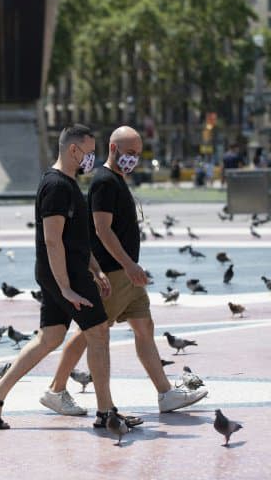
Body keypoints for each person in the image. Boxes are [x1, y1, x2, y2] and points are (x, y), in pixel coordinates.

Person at [0, 124, 138, 430]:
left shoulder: (67, 183)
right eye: (89, 151)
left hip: (69, 271)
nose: (92, 157)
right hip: (64, 274)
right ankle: (106, 412)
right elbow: (53, 240)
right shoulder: (56, 186)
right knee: (99, 332)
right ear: (73, 150)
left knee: (50, 337)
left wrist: (95, 267)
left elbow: (76, 238)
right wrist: (65, 287)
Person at [40, 126, 208, 418]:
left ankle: (166, 393)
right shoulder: (104, 181)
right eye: (130, 153)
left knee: (145, 329)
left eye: (138, 154)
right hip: (114, 272)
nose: (135, 159)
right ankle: (56, 389)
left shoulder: (116, 179)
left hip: (128, 273)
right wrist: (128, 266)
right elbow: (102, 230)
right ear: (114, 149)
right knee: (89, 332)